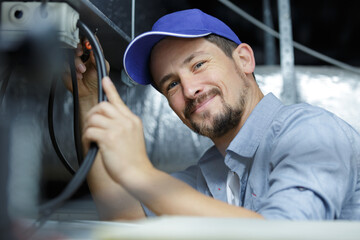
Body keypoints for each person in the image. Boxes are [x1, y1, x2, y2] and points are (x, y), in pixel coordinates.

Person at [68, 9, 360, 220]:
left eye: (198, 65)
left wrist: (140, 174)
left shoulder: (311, 132)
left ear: (243, 60)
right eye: (171, 84)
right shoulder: (211, 172)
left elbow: (284, 235)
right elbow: (126, 216)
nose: (190, 89)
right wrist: (87, 100)